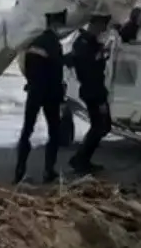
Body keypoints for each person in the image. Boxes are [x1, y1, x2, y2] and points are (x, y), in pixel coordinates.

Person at [14, 9, 67, 184]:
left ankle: (19, 170)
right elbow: (56, 72)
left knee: (27, 131)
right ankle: (48, 171)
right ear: (56, 24)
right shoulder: (54, 44)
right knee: (54, 132)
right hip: (50, 94)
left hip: (34, 92)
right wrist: (60, 94)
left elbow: (27, 67)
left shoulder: (34, 43)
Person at [69, 13, 112, 174]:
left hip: (92, 90)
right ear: (94, 25)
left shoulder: (87, 42)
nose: (104, 30)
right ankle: (81, 159)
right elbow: (90, 73)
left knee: (100, 126)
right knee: (101, 125)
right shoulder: (85, 45)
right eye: (102, 26)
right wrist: (100, 99)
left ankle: (82, 159)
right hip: (93, 91)